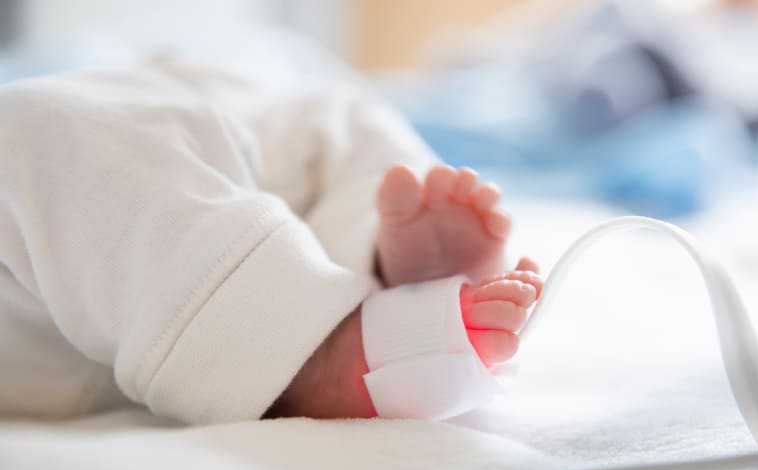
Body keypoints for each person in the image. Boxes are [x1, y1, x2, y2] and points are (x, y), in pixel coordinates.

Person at [0, 57, 542, 424]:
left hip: (212, 194)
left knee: (36, 133)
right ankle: (314, 324)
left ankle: (331, 317)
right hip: (63, 323)